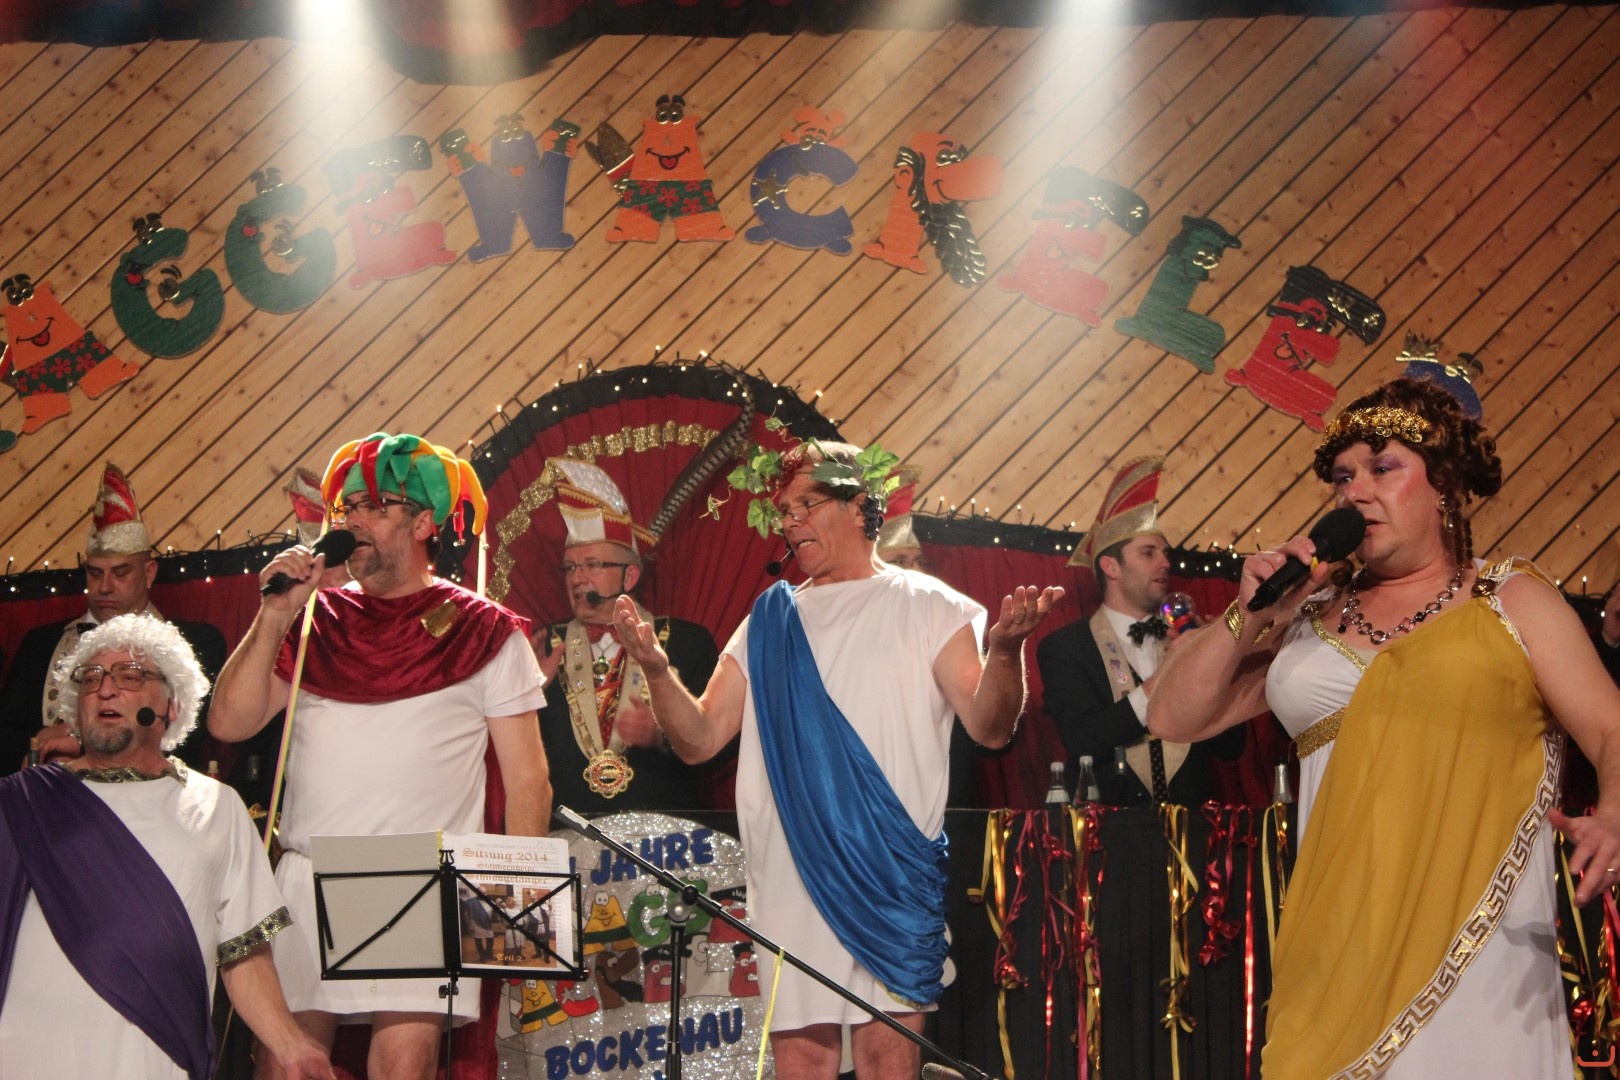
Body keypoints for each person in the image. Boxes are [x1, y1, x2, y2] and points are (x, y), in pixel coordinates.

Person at [1147, 378, 1620, 1078]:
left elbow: (1611, 729)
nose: (1355, 492)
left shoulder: (1510, 599)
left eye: (1382, 468)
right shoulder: (1307, 617)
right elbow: (1171, 715)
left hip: (1476, 959)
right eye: (1343, 478)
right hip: (1332, 949)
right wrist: (1253, 611)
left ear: (1444, 485)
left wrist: (1613, 813)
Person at [613, 439, 1063, 1080]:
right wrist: (658, 672)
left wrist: (1007, 652)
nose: (791, 521)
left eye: (807, 504)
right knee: (802, 1059)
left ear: (858, 508)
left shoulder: (928, 604)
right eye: (784, 510)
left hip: (891, 870)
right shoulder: (770, 620)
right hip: (791, 871)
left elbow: (990, 728)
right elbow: (701, 738)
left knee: (887, 1057)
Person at [208, 432, 552, 1080]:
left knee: (404, 1066)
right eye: (348, 508)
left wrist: (514, 913)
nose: (353, 522)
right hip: (309, 874)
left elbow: (528, 780)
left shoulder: (485, 630)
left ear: (423, 523)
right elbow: (228, 722)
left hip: (421, 879)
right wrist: (275, 615)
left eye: (374, 506)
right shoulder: (313, 620)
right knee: (286, 1064)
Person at [0, 614, 334, 1080]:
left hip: (155, 1054)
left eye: (130, 676)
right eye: (91, 678)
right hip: (27, 1054)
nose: (105, 689)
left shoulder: (217, 806)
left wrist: (290, 1044)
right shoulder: (21, 803)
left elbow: (243, 951)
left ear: (172, 706)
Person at [1037, 456, 1242, 805]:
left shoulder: (1188, 637)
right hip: (1110, 824)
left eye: (1164, 553)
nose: (1165, 563)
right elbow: (1084, 740)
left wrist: (1219, 660)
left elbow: (1231, 748)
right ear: (1111, 566)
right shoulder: (1065, 647)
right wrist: (1167, 675)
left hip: (1192, 821)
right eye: (1149, 553)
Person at [0, 463, 227, 774]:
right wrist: (38, 742)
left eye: (121, 573)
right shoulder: (41, 643)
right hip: (53, 796)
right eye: (95, 573)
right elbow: (6, 739)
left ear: (149, 573)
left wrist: (80, 742)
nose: (105, 587)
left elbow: (189, 738)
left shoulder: (196, 642)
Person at [531, 458, 720, 816]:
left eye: (592, 564)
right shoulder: (542, 646)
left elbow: (724, 748)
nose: (577, 578)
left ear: (629, 577)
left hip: (668, 834)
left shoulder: (686, 642)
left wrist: (665, 735)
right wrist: (528, 693)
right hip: (567, 833)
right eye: (570, 567)